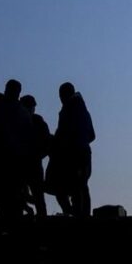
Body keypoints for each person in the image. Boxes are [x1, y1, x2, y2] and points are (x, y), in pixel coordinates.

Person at [48, 82, 95, 216]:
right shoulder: (85, 112)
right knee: (82, 186)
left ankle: (76, 216)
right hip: (85, 152)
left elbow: (63, 134)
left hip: (74, 154)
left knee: (72, 187)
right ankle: (83, 215)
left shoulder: (68, 111)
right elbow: (92, 135)